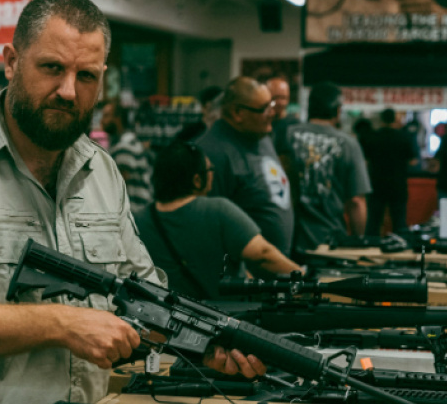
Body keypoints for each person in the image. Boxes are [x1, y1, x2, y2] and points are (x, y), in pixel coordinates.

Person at [0, 0, 265, 404]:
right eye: (52, 68)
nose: (68, 91)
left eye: (86, 76)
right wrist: (63, 324)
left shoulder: (101, 171)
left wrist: (204, 345)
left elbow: (143, 297)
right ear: (11, 62)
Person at [136, 141, 301, 300]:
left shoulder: (140, 220)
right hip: (221, 314)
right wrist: (304, 279)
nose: (212, 175)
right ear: (197, 180)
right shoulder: (218, 210)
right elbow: (263, 254)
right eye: (210, 170)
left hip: (169, 314)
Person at [197, 76, 295, 257]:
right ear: (237, 113)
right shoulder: (213, 153)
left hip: (277, 263)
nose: (272, 113)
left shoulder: (261, 135)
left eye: (272, 105)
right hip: (246, 267)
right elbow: (209, 227)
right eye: (264, 108)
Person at [278, 82, 371, 253]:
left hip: (289, 239)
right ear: (338, 110)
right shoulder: (348, 144)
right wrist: (357, 241)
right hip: (330, 242)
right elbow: (356, 202)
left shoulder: (286, 135)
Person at [361, 108, 417, 236]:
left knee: (374, 222)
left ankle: (371, 245)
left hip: (376, 184)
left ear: (382, 120)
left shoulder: (373, 137)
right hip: (398, 184)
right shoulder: (404, 137)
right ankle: (400, 246)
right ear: (395, 119)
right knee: (399, 222)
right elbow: (413, 161)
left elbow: (365, 160)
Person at [103, 101, 153, 213]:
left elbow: (117, 184)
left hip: (134, 211)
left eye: (106, 116)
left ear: (117, 119)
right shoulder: (127, 141)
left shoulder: (124, 146)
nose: (102, 121)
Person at [259, 74, 300, 154]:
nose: (280, 102)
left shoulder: (295, 124)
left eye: (284, 98)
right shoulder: (260, 123)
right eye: (275, 97)